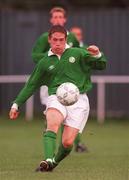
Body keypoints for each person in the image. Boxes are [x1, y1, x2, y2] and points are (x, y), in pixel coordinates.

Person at [9, 25, 107, 172]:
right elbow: (31, 85)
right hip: (56, 97)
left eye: (61, 40)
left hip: (79, 101)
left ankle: (52, 163)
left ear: (66, 40)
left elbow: (101, 65)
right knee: (52, 122)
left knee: (67, 143)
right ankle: (47, 158)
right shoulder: (44, 62)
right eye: (55, 40)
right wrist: (16, 104)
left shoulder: (78, 53)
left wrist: (98, 54)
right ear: (49, 40)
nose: (58, 43)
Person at [32, 6, 86, 152]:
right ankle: (50, 141)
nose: (57, 19)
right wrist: (51, 58)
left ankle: (74, 144)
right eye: (55, 17)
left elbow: (81, 55)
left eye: (60, 17)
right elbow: (34, 55)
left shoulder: (72, 37)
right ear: (51, 19)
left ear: (65, 19)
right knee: (54, 113)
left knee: (70, 112)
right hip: (50, 81)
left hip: (69, 83)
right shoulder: (45, 38)